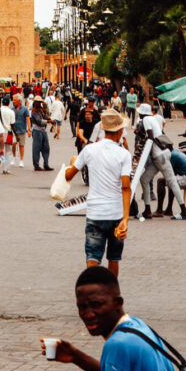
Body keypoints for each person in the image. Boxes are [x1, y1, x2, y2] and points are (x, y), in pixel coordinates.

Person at [41, 265, 180, 371]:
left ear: (118, 303)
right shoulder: (137, 326)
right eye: (82, 307)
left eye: (96, 305)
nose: (88, 314)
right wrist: (75, 356)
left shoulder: (117, 344)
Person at [64, 109, 131, 278]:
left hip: (95, 213)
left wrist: (73, 162)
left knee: (92, 257)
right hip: (115, 214)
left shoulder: (89, 150)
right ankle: (111, 292)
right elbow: (125, 187)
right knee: (114, 259)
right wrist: (125, 218)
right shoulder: (124, 155)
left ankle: (92, 291)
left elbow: (68, 176)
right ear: (119, 131)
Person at [31, 96, 51, 171]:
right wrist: (48, 121)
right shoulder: (34, 111)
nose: (39, 103)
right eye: (38, 102)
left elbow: (46, 116)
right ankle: (36, 165)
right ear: (35, 102)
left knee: (46, 148)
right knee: (36, 148)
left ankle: (46, 164)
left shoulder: (40, 110)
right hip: (37, 130)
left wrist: (46, 108)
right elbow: (39, 121)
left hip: (43, 130)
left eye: (40, 102)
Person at [11, 93, 31, 167]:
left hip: (22, 129)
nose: (13, 101)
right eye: (13, 100)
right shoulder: (12, 109)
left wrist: (29, 129)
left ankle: (21, 160)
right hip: (14, 130)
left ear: (19, 100)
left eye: (15, 100)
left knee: (21, 145)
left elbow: (28, 119)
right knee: (13, 144)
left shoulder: (25, 109)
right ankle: (13, 157)